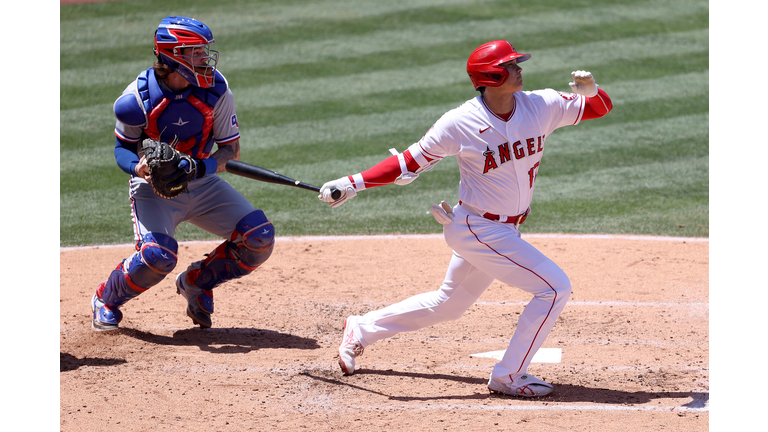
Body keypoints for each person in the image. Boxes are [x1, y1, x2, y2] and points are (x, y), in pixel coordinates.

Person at [317, 40, 612, 397]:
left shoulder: (541, 105)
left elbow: (598, 108)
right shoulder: (460, 123)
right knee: (553, 288)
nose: (520, 68)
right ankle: (508, 376)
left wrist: (594, 93)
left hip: (501, 228)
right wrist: (352, 184)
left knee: (448, 305)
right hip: (478, 228)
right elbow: (408, 163)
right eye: (512, 65)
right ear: (492, 75)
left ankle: (361, 329)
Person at [90, 16, 275, 332]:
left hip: (202, 183)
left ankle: (196, 282)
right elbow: (122, 149)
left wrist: (199, 167)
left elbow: (230, 153)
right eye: (196, 52)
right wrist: (139, 167)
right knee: (158, 255)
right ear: (173, 55)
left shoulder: (217, 90)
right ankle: (106, 300)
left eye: (205, 51)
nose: (205, 58)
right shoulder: (138, 97)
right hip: (154, 190)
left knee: (258, 238)